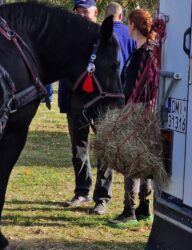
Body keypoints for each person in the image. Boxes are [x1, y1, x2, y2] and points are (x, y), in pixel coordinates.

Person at [59, 0, 111, 215]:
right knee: (78, 149)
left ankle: (102, 198)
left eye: (85, 11)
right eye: (77, 11)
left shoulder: (106, 37)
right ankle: (82, 191)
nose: (81, 15)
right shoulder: (67, 39)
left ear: (96, 12)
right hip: (76, 100)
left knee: (104, 150)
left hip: (100, 101)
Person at [107, 8, 155, 227]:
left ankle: (129, 211)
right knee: (145, 162)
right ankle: (145, 208)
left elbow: (131, 87)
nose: (127, 28)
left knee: (132, 162)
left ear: (133, 26)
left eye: (128, 24)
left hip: (137, 114)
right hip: (149, 114)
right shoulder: (152, 50)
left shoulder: (141, 54)